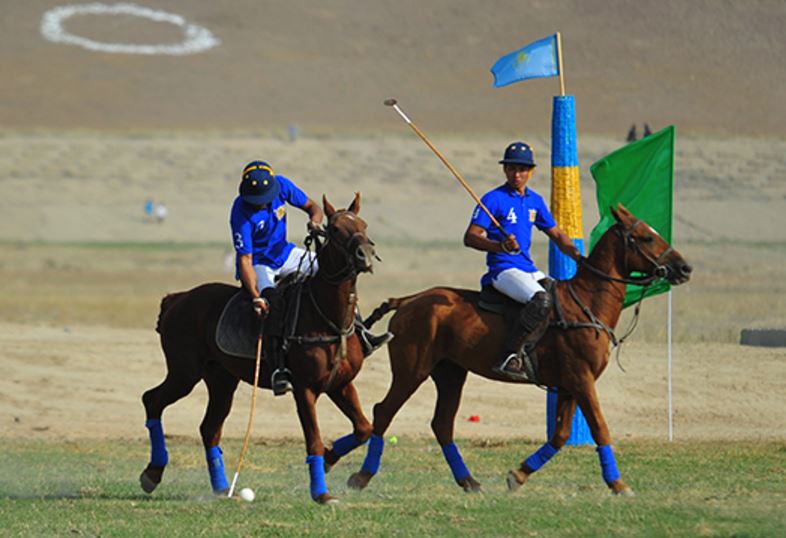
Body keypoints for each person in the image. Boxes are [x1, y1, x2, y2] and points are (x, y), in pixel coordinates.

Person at [230, 160, 391, 395]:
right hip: (260, 264)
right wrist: (256, 296)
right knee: (272, 303)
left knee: (337, 278)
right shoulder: (240, 213)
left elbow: (313, 207)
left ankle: (361, 334)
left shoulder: (282, 185)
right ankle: (279, 369)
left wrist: (314, 223)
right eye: (258, 199)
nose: (262, 202)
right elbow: (245, 259)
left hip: (286, 253)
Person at [463, 142, 581, 381]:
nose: (517, 174)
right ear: (505, 170)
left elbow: (556, 234)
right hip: (503, 269)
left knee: (560, 299)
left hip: (529, 269)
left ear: (531, 172)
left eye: (522, 169)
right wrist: (500, 246)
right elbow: (470, 237)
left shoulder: (535, 201)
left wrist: (578, 256)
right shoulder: (493, 198)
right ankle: (509, 356)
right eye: (512, 169)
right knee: (540, 300)